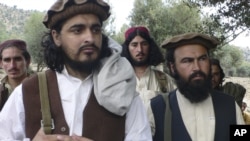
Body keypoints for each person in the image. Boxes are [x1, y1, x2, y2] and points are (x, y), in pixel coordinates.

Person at [0, 0, 152, 140]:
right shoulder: (27, 92)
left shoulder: (122, 90)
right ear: (57, 37)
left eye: (95, 29)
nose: (90, 38)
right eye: (78, 30)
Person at [150, 33, 245, 141]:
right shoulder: (155, 108)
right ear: (172, 67)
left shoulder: (230, 105)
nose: (197, 67)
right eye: (187, 61)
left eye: (202, 59)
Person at [121, 26, 175, 135]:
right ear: (127, 48)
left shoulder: (165, 81)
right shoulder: (118, 81)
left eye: (144, 44)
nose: (139, 49)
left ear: (150, 46)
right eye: (134, 45)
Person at [0, 39, 32, 111]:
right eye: (7, 60)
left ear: (27, 61)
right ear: (1, 63)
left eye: (17, 59)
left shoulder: (41, 87)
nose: (12, 66)